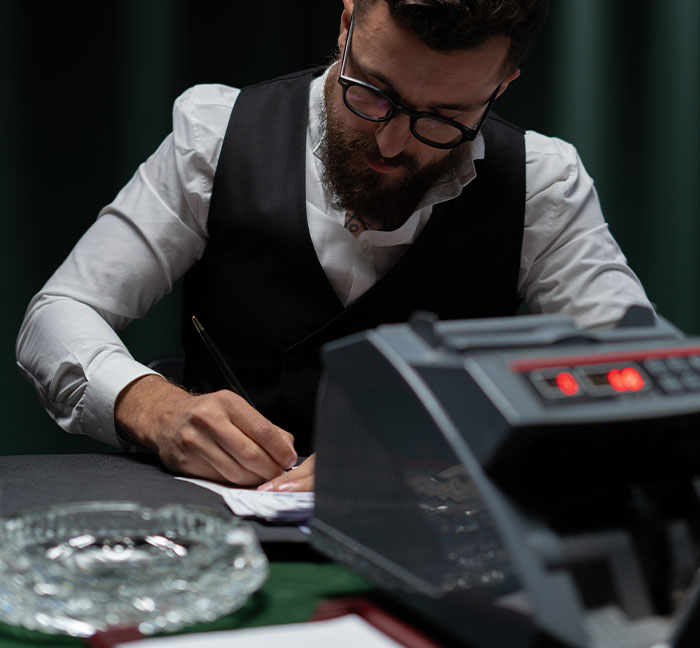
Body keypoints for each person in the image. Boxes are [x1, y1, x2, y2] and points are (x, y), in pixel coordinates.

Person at [16, 0, 652, 493]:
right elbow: (58, 313)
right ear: (348, 21)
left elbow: (634, 377)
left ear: (502, 86)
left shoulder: (543, 184)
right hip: (218, 523)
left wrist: (453, 438)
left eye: (444, 118)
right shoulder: (214, 135)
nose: (393, 144)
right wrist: (152, 408)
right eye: (372, 93)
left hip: (434, 538)